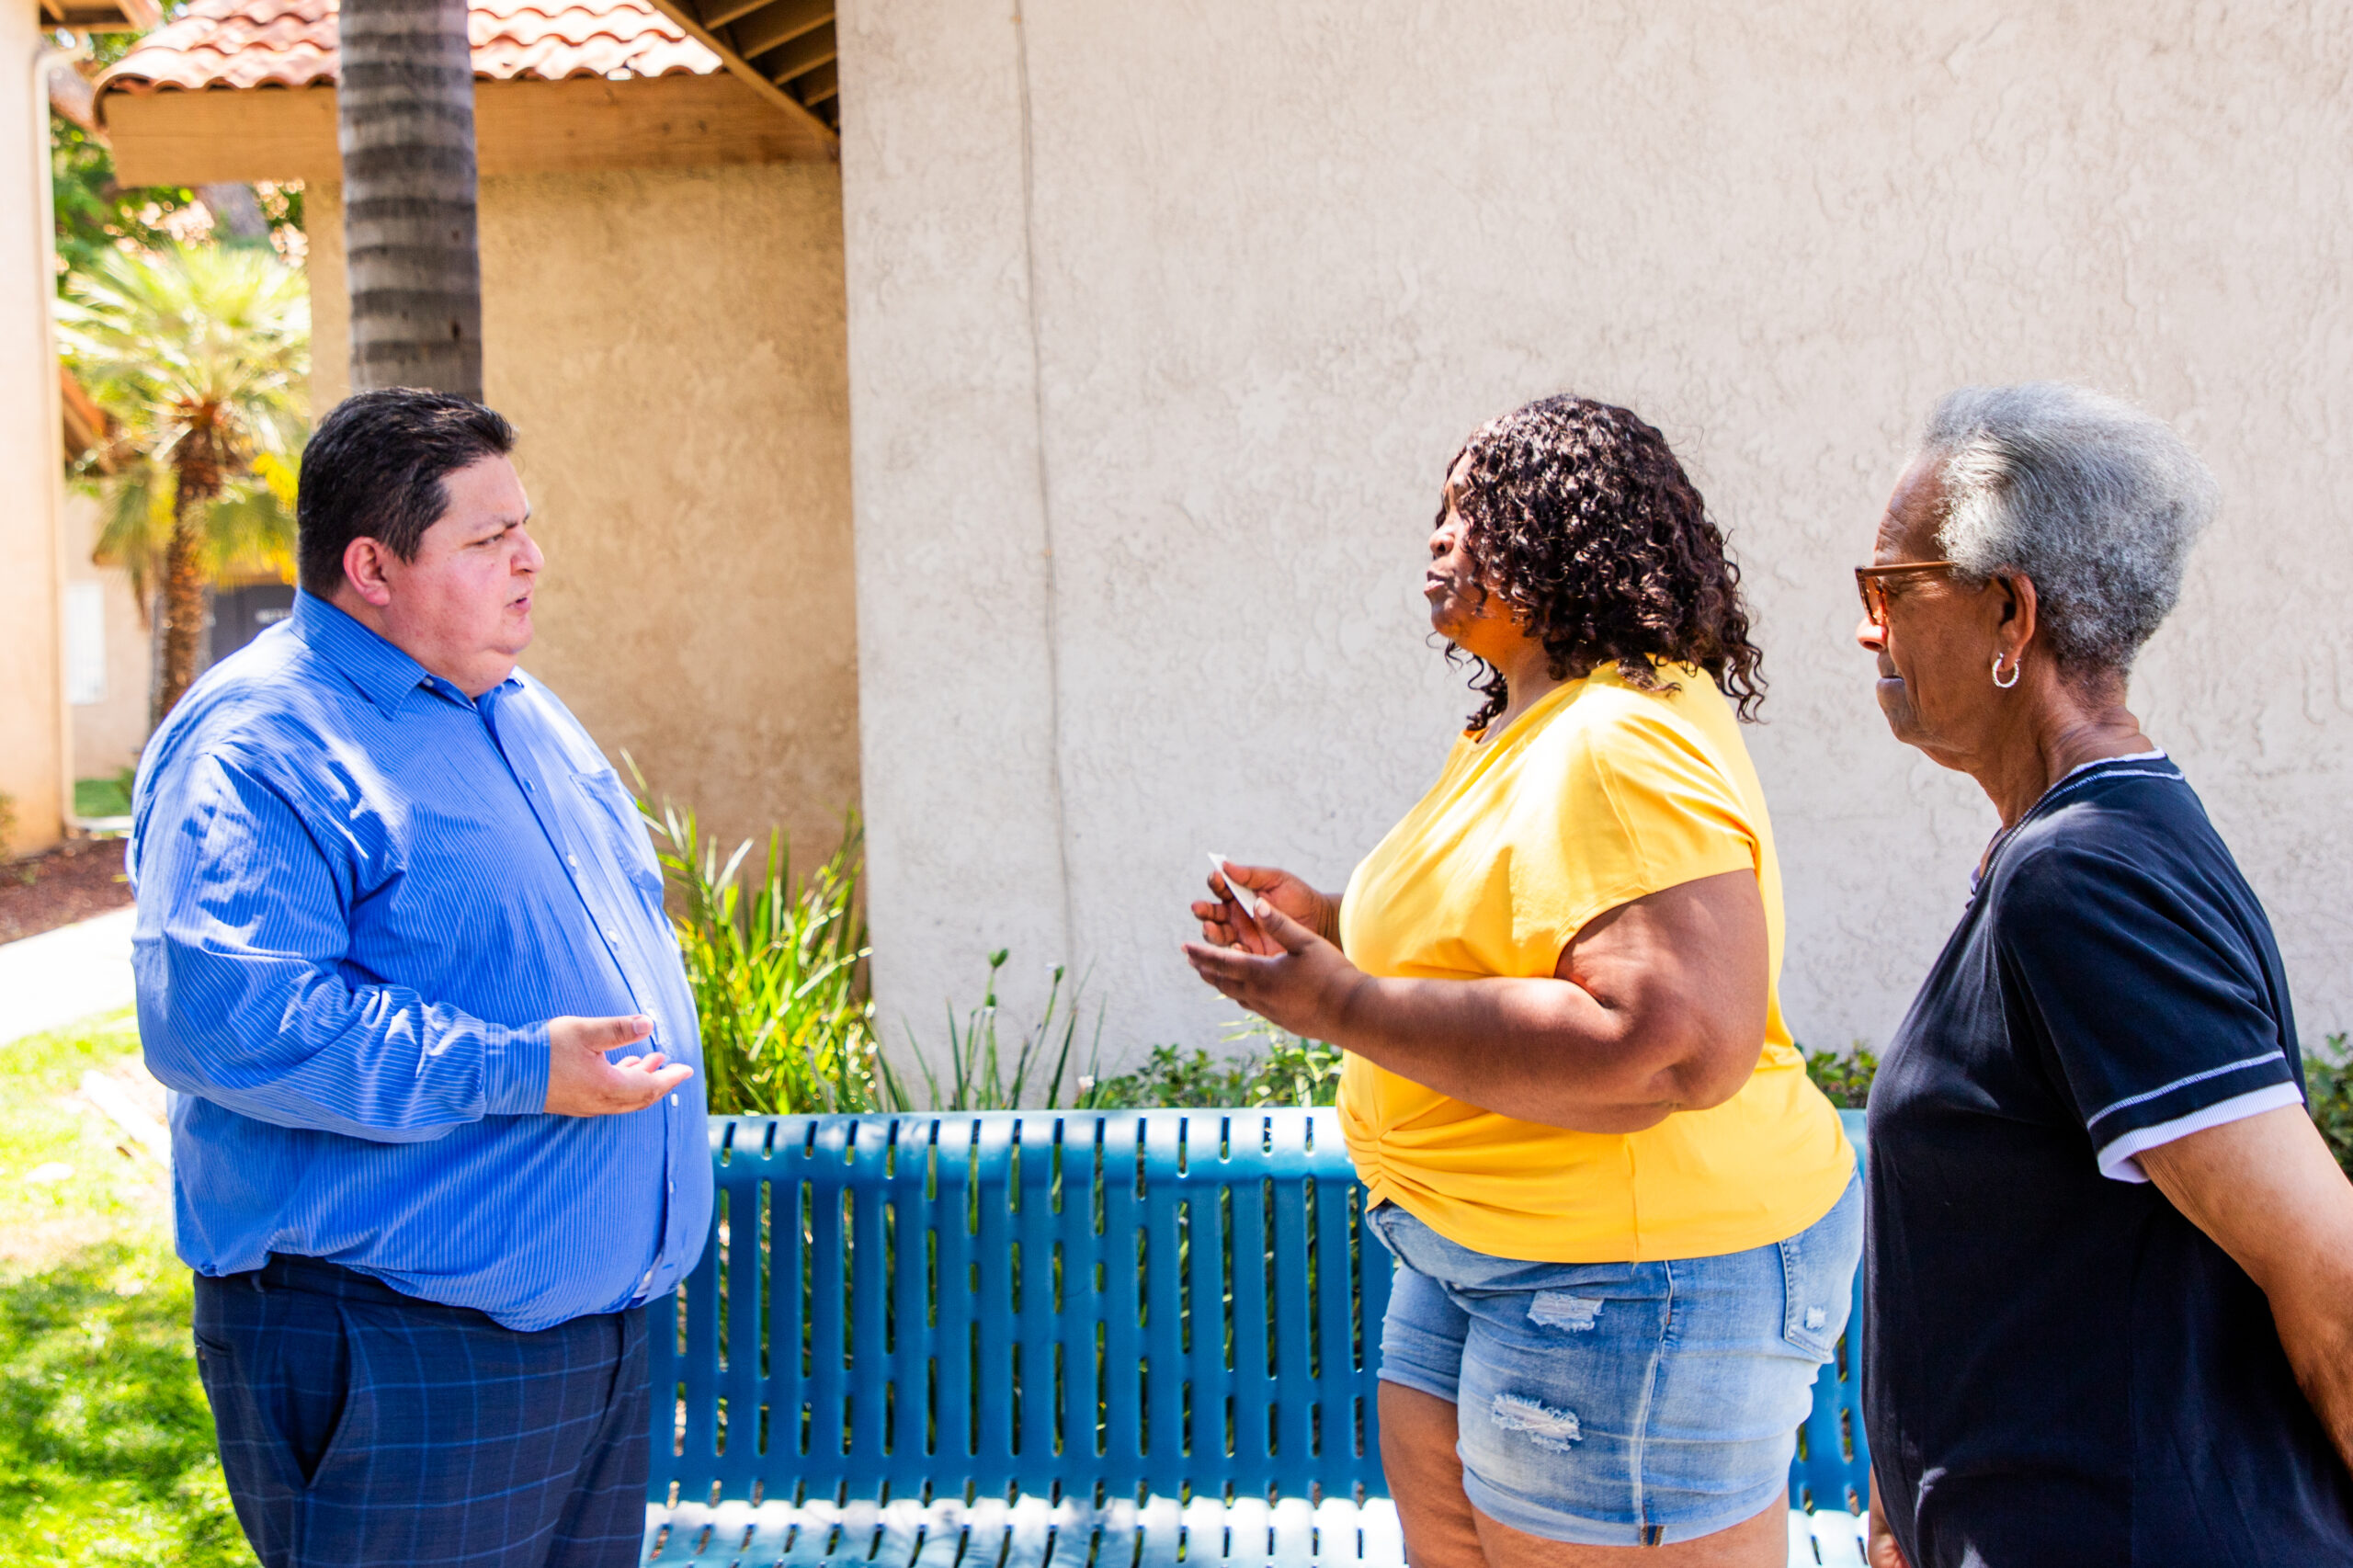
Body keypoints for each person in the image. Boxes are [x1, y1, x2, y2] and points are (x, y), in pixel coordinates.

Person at [1184, 395, 1857, 1565]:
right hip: (1478, 1240)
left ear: (1563, 529)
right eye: (1436, 514)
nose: (1437, 539)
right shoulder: (1522, 727)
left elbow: (1665, 1041)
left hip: (1634, 1268)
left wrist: (1338, 1002)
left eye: (1471, 512)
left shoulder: (1616, 734)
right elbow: (1521, 936)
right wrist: (1334, 927)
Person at [131, 389, 709, 1568]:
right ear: (371, 566)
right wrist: (518, 1069)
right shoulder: (260, 739)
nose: (531, 560)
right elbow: (231, 1018)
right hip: (396, 1349)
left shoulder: (517, 706)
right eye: (488, 540)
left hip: (592, 1341)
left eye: (525, 528)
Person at [1853, 383, 2353, 1567]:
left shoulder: (2086, 878)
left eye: (1888, 588)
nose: (1867, 630)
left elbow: (2330, 1279)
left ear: (2007, 614)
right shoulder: (2074, 849)